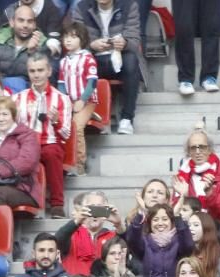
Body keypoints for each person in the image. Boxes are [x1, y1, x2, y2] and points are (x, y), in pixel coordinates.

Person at [13, 52, 72, 218]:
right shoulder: (18, 98)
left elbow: (66, 134)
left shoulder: (62, 99)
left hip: (49, 142)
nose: (36, 75)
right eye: (32, 71)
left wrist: (55, 121)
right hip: (25, 144)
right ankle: (25, 201)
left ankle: (57, 204)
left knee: (52, 153)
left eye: (40, 70)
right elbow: (12, 128)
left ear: (49, 71)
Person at [71, 0, 141, 135]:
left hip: (121, 58)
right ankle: (93, 116)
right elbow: (76, 42)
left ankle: (127, 117)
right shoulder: (82, 7)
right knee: (82, 63)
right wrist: (91, 46)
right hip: (95, 58)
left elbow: (135, 40)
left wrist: (125, 43)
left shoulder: (128, 5)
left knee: (131, 60)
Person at [0, 97, 42, 209]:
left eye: (5, 114)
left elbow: (27, 162)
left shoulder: (27, 135)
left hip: (22, 188)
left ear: (13, 116)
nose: (1, 119)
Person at [58, 21, 98, 176]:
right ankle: (67, 160)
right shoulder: (63, 61)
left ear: (82, 39)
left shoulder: (88, 58)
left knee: (76, 126)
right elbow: (61, 83)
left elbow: (92, 81)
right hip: (70, 102)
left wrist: (82, 100)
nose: (68, 40)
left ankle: (80, 163)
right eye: (66, 37)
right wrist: (65, 100)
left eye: (73, 37)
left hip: (86, 101)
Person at [173, 129, 220, 225]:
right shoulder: (182, 175)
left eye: (202, 147)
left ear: (209, 149)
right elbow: (175, 214)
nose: (198, 152)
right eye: (193, 148)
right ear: (188, 152)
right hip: (187, 225)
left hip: (214, 225)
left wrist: (210, 195)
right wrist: (185, 197)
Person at [58, 191, 120, 276]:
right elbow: (57, 241)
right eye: (91, 208)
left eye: (99, 209)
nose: (95, 214)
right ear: (83, 210)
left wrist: (119, 224)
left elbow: (134, 248)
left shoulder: (113, 237)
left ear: (106, 211)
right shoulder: (71, 235)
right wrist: (76, 221)